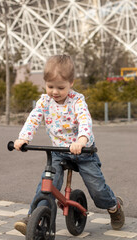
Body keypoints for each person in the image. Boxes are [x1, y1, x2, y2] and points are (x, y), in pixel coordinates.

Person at [14, 55, 125, 235]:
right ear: (45, 83)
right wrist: (23, 138)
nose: (55, 92)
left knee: (97, 189)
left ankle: (113, 206)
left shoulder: (77, 101)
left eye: (60, 87)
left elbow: (84, 121)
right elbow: (33, 119)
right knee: (48, 184)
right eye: (50, 87)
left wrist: (81, 140)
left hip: (83, 151)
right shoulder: (44, 101)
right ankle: (34, 217)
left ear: (71, 83)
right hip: (58, 152)